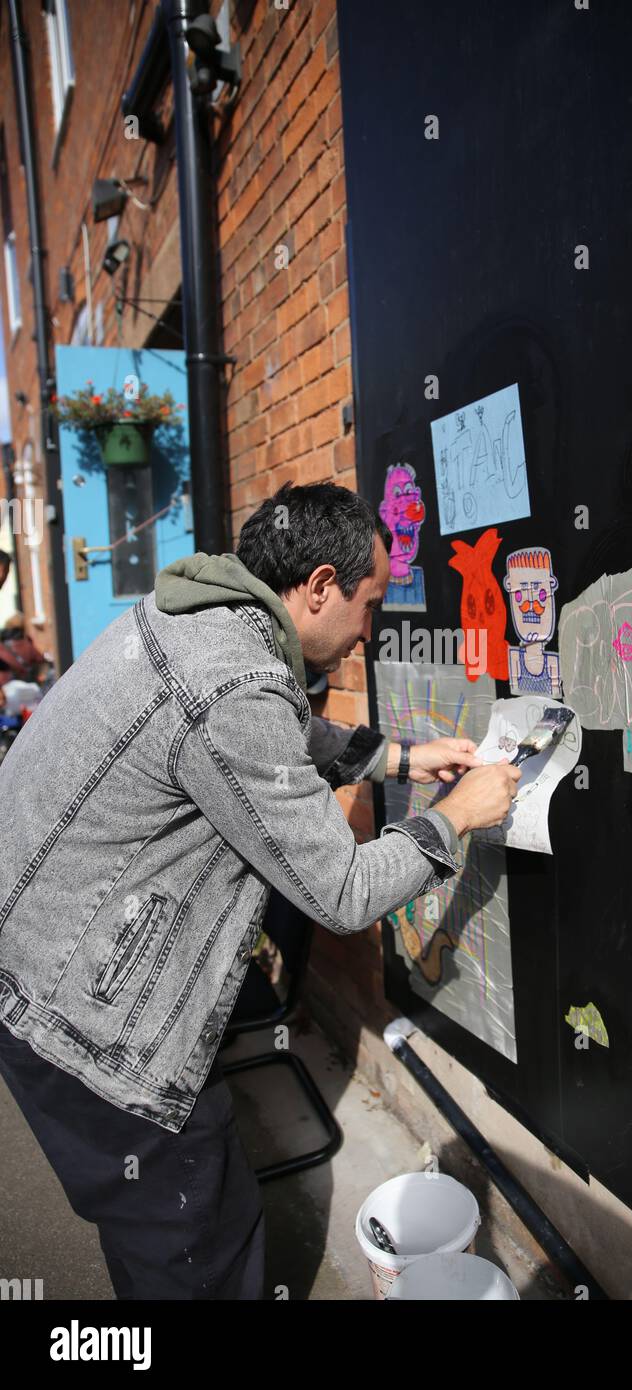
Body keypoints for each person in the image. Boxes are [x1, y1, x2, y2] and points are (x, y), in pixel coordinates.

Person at [0, 480, 520, 1300]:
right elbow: (343, 893)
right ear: (318, 587)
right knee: (195, 1246)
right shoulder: (234, 685)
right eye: (370, 604)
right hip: (86, 1023)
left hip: (41, 969)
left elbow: (275, 733)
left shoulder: (202, 617)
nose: (370, 629)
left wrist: (400, 760)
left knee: (169, 1239)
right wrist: (455, 817)